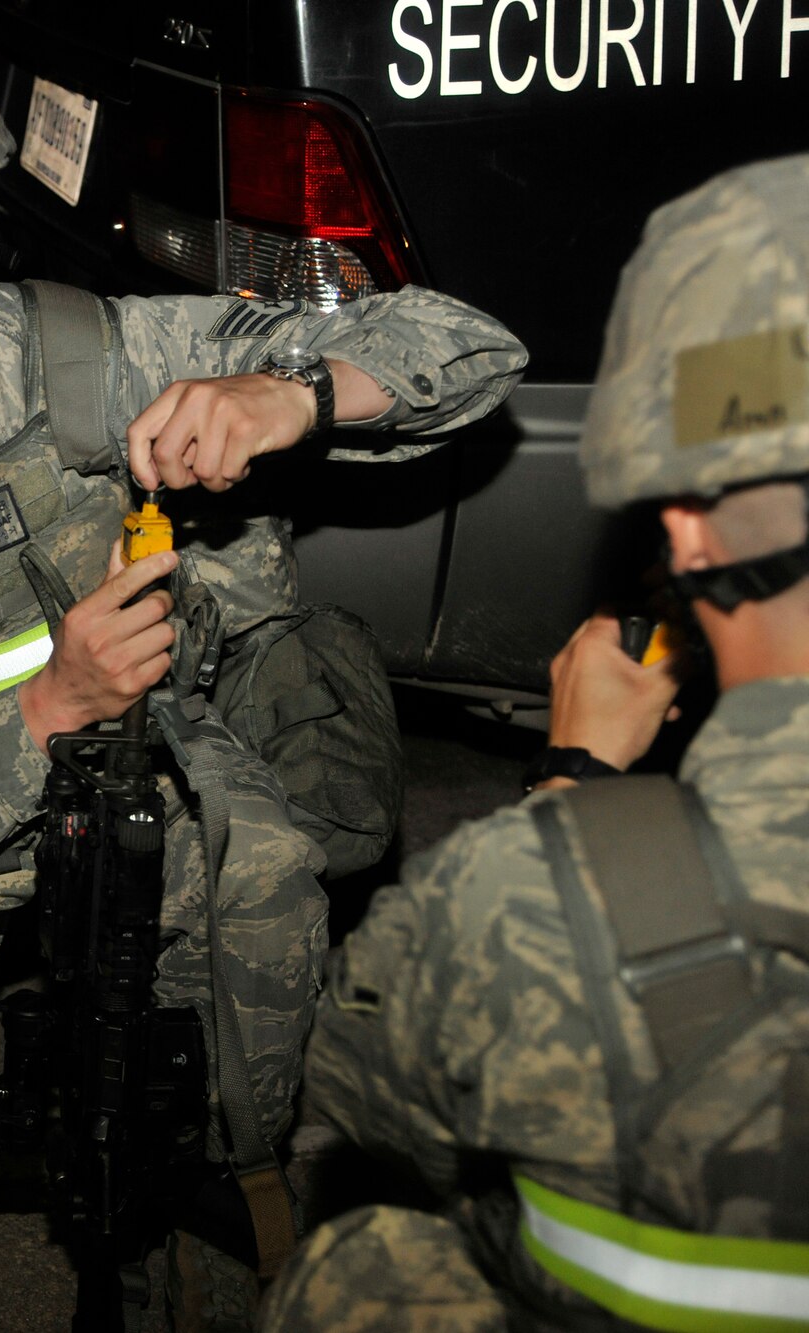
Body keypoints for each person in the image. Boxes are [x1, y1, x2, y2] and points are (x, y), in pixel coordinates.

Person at [0, 0, 528, 1290]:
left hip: (137, 789)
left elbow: (473, 348)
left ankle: (230, 1123)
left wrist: (285, 394)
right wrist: (51, 703)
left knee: (261, 877)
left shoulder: (90, 353)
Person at [257, 153, 809, 1331]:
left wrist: (575, 794)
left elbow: (360, 1086)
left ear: (684, 528)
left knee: (362, 1262)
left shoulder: (532, 898)